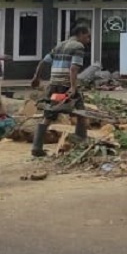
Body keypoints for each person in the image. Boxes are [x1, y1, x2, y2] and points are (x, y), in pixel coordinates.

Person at [28, 24, 91, 157]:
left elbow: (43, 62)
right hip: (67, 86)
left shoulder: (60, 45)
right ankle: (81, 142)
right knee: (80, 112)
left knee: (49, 114)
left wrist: (36, 77)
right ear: (80, 34)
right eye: (87, 36)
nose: (88, 40)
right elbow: (74, 68)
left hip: (53, 86)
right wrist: (73, 87)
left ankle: (36, 146)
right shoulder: (78, 47)